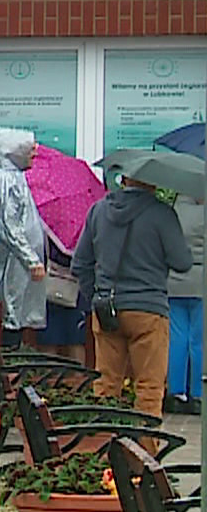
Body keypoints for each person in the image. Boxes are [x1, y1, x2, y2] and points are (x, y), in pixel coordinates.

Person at [73, 170, 191, 417]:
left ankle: (104, 447)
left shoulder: (98, 210)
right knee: (149, 388)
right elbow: (182, 262)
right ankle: (144, 452)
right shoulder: (162, 214)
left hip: (108, 309)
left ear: (124, 180)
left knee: (106, 385)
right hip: (149, 310)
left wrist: (97, 294)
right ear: (153, 183)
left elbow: (80, 263)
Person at [0, 121, 48, 347]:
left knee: (18, 313)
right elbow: (9, 225)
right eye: (29, 148)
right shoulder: (4, 180)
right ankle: (8, 364)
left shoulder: (14, 177)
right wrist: (31, 259)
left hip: (19, 261)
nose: (35, 152)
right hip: (13, 261)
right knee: (11, 311)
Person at [166, 192, 205, 416]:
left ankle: (177, 393)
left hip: (175, 281)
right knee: (198, 341)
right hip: (201, 283)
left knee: (177, 338)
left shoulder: (173, 211)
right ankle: (198, 395)